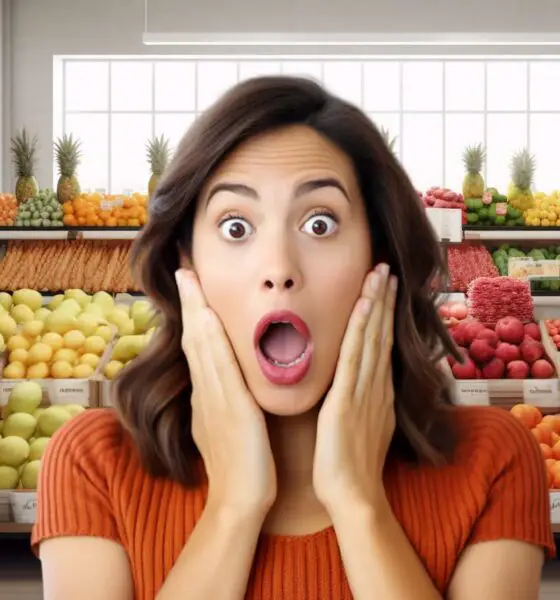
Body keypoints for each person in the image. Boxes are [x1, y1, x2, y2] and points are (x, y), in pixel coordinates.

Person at [33, 76, 554, 600]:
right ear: (185, 265)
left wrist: (358, 503)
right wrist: (233, 507)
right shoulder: (91, 465)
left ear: (379, 257)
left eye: (320, 223)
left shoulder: (494, 462)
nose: (279, 269)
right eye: (236, 227)